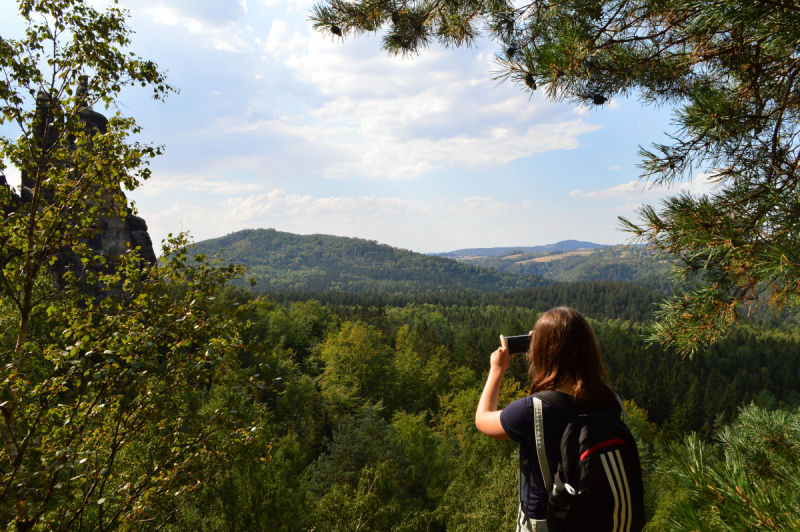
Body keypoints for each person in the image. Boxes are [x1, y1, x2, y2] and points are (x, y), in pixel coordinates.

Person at [475, 307, 630, 532]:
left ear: (542, 353)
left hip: (546, 522)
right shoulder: (612, 400)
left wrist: (497, 369)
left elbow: (482, 419)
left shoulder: (532, 410)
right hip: (598, 520)